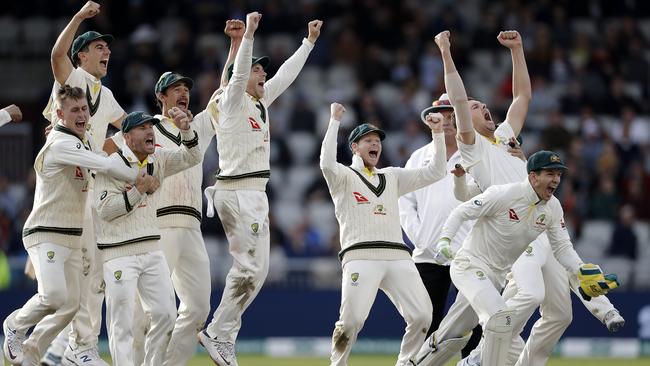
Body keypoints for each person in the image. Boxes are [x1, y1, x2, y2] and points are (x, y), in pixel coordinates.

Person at [416, 30, 624, 366]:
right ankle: (480, 357)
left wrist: (517, 50)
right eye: (474, 106)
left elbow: (523, 96)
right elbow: (456, 99)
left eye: (483, 104)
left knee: (559, 315)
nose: (482, 107)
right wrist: (445, 51)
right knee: (528, 295)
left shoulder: (503, 137)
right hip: (512, 229)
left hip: (542, 224)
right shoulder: (472, 147)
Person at [106, 19, 245, 366]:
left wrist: (236, 45)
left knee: (198, 307)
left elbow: (226, 91)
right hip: (156, 225)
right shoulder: (145, 129)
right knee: (146, 313)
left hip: (191, 226)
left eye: (186, 88)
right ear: (161, 97)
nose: (183, 92)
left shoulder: (196, 125)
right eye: (175, 89)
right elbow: (106, 148)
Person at [198, 12, 322, 365]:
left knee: (259, 271)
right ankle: (218, 332)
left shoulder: (258, 103)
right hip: (237, 189)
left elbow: (286, 76)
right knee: (249, 269)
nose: (263, 73)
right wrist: (248, 34)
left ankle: (224, 335)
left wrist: (308, 43)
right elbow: (235, 77)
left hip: (254, 192)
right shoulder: (233, 100)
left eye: (262, 70)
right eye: (257, 69)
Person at [423, 150, 619, 366]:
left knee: (456, 330)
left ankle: (415, 363)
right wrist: (444, 240)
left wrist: (580, 270)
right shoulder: (505, 194)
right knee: (501, 319)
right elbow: (461, 211)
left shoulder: (552, 207)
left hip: (496, 276)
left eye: (559, 175)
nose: (556, 180)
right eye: (550, 174)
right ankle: (475, 361)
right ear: (533, 176)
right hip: (470, 265)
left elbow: (563, 248)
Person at [2, 85, 137, 366]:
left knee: (72, 305)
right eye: (74, 110)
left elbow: (101, 153)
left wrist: (124, 143)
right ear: (59, 115)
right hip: (46, 232)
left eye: (85, 109)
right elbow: (105, 164)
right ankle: (14, 325)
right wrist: (138, 177)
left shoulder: (83, 140)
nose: (82, 114)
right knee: (53, 296)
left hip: (72, 237)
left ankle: (31, 353)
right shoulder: (62, 144)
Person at [399, 93, 527, 360]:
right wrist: (421, 238)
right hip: (428, 254)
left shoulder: (477, 150)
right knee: (425, 323)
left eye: (450, 116)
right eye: (440, 116)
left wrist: (520, 157)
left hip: (472, 254)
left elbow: (503, 181)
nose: (446, 121)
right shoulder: (418, 156)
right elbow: (404, 202)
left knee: (477, 326)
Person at [322, 102, 447, 366]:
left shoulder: (392, 176)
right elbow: (325, 163)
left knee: (423, 316)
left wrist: (437, 135)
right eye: (367, 140)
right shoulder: (343, 177)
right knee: (352, 321)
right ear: (354, 147)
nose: (375, 144)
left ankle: (406, 363)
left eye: (378, 140)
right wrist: (334, 121)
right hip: (360, 255)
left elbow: (436, 171)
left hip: (398, 256)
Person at [41, 2, 127, 365]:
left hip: (90, 187)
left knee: (94, 270)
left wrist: (161, 124)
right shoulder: (72, 82)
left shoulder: (104, 96)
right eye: (98, 47)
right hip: (62, 185)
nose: (106, 51)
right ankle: (55, 345)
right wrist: (79, 17)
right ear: (82, 57)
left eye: (107, 47)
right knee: (62, 273)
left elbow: (124, 129)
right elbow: (56, 53)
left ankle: (79, 346)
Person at [94, 109, 201, 366]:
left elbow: (192, 157)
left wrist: (186, 130)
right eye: (142, 128)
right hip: (118, 253)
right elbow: (105, 211)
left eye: (151, 127)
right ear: (127, 137)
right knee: (123, 324)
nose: (150, 132)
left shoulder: (159, 158)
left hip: (152, 249)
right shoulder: (111, 164)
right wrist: (138, 191)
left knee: (166, 315)